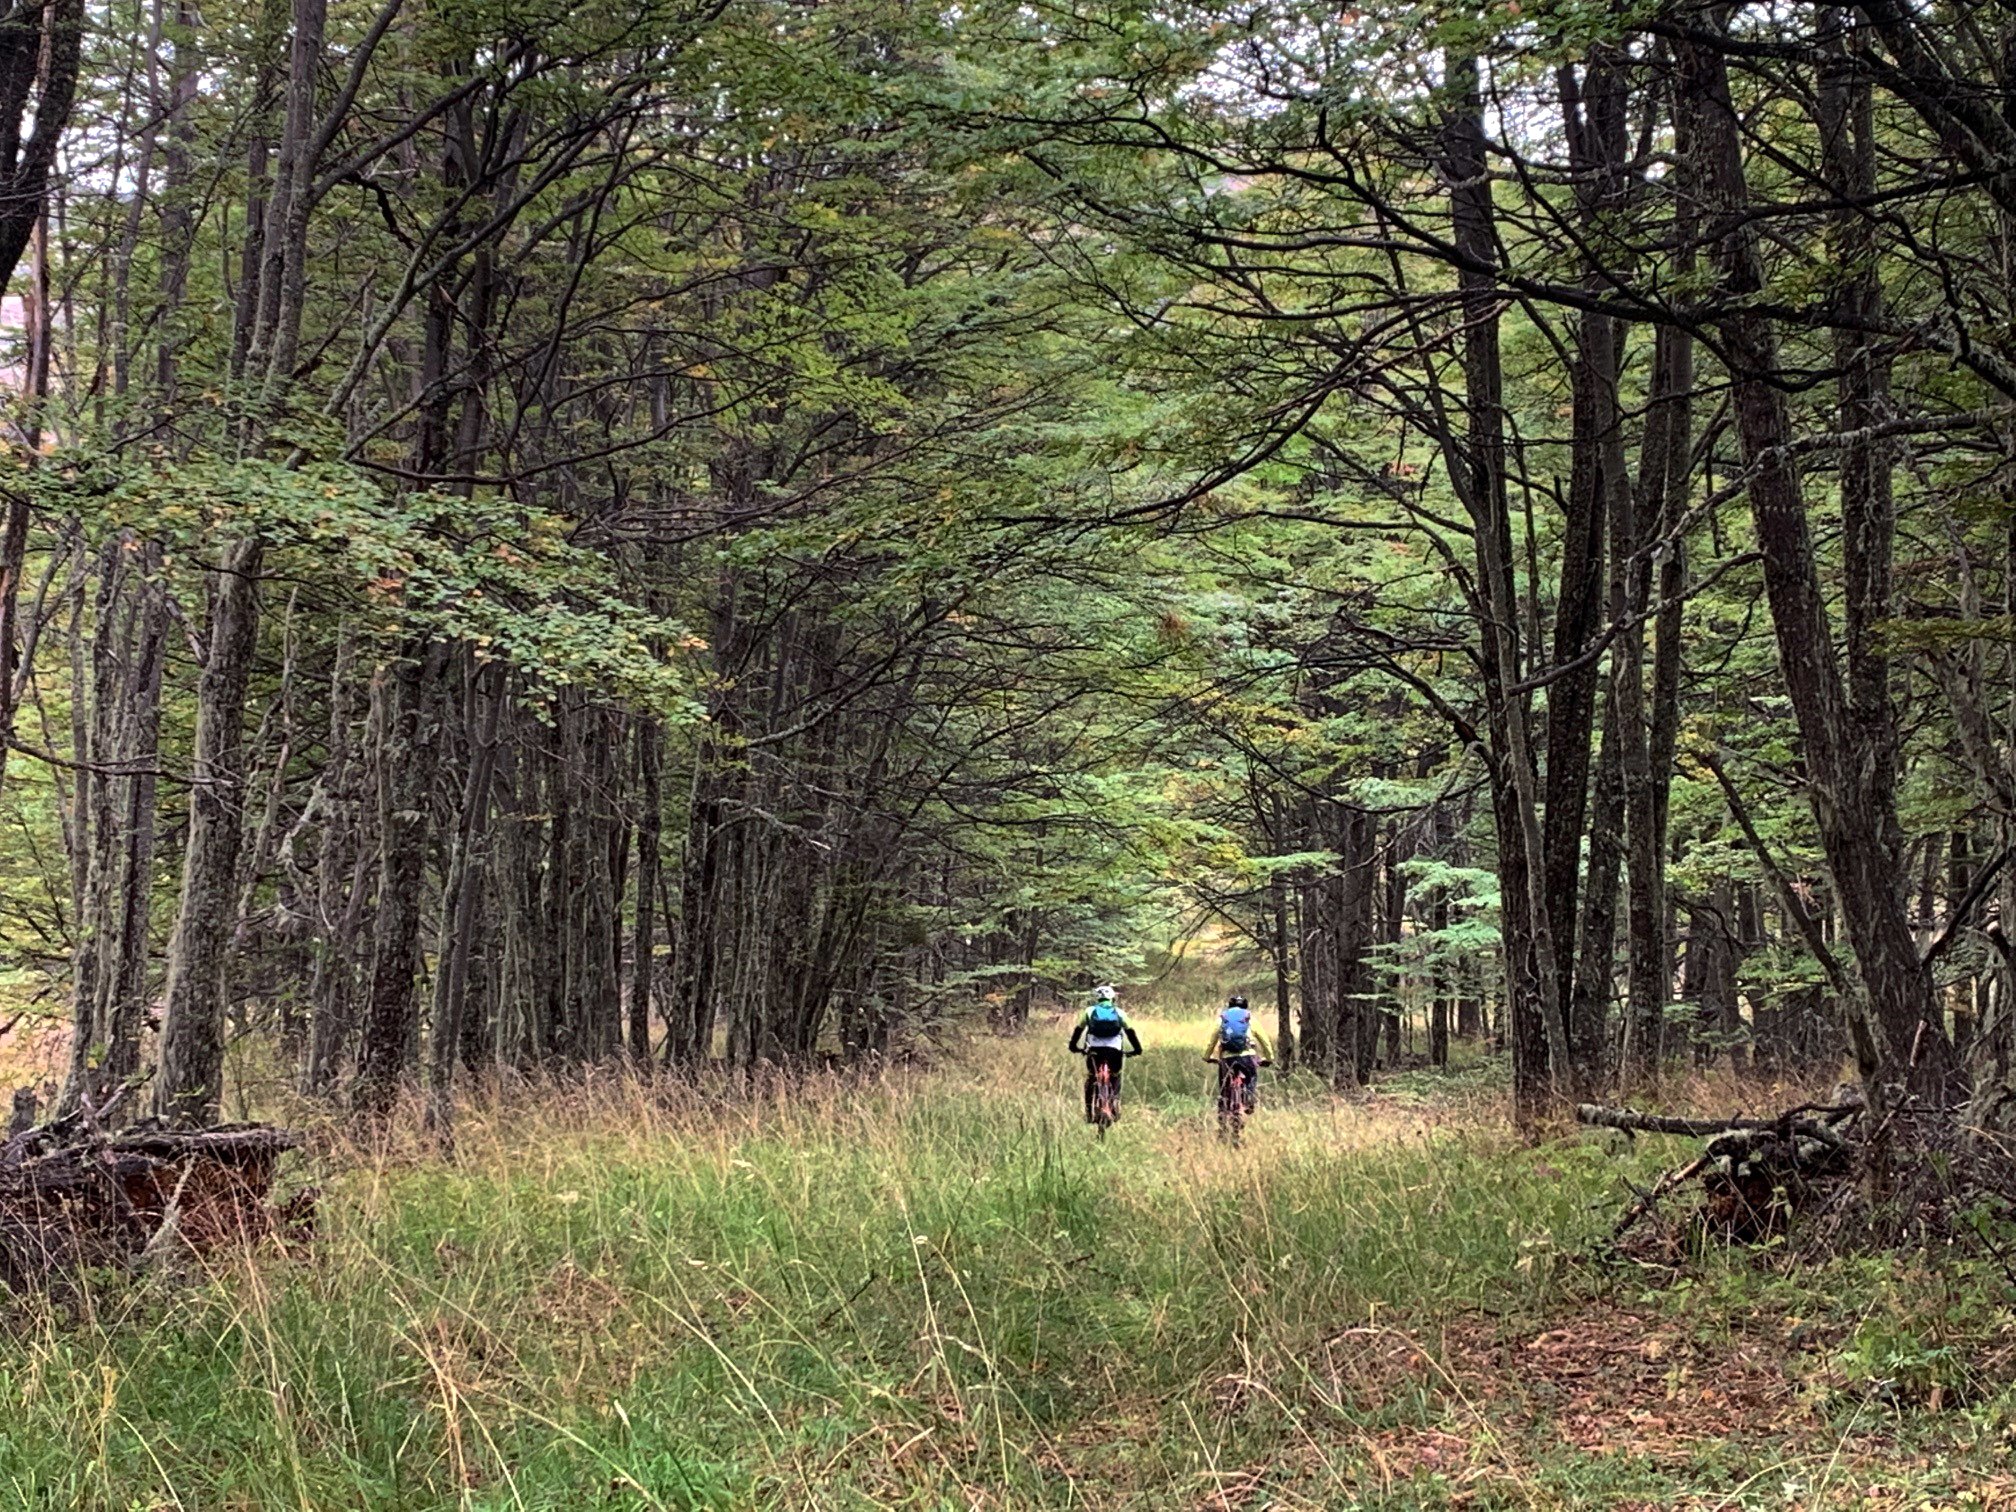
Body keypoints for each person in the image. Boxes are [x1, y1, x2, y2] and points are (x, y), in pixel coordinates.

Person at [1068, 985, 1142, 1122]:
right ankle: (1114, 1106)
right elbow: (1130, 1032)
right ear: (1112, 997)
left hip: (1094, 1048)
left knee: (1091, 1077)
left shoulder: (1089, 1011)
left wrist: (1073, 1046)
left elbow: (1078, 1030)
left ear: (1097, 998)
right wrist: (1137, 1049)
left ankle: (1089, 1113)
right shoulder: (1119, 1012)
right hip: (1114, 1050)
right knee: (1115, 1076)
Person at [1203, 993, 1272, 1115]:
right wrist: (1269, 1058)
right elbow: (1265, 1041)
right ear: (1245, 1007)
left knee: (1224, 1088)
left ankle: (1223, 1112)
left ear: (1230, 1006)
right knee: (1251, 1077)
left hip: (1227, 1059)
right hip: (1247, 1057)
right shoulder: (1250, 1019)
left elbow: (1211, 1042)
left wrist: (1207, 1057)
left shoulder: (1222, 1019)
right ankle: (1248, 1098)